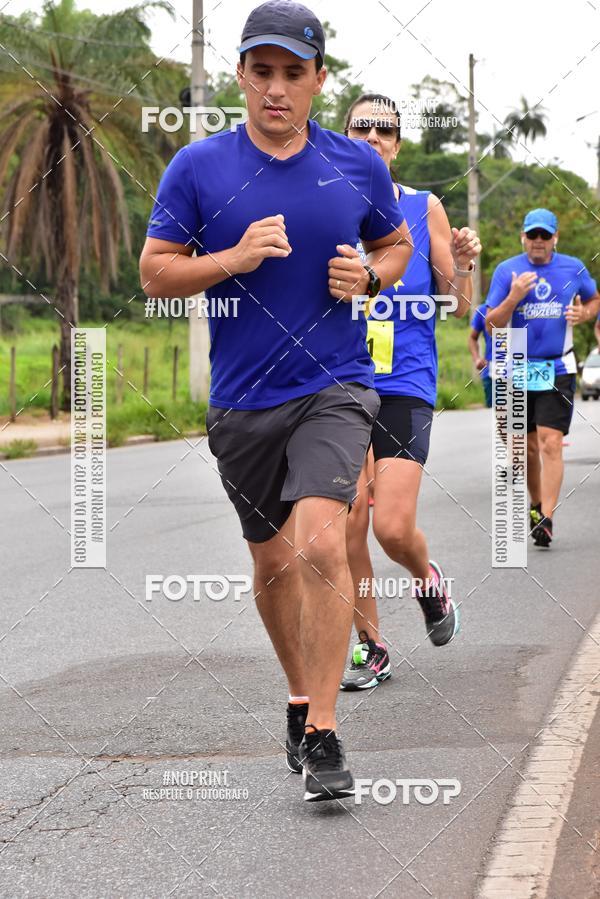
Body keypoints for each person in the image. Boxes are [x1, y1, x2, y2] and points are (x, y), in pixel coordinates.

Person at [140, 1, 412, 801]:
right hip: (242, 402)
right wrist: (232, 255)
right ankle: (300, 695)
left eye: (294, 73)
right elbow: (156, 272)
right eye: (262, 72)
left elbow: (392, 244)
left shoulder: (358, 165)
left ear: (319, 82)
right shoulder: (197, 168)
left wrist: (371, 275)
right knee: (270, 562)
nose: (277, 89)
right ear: (241, 77)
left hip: (335, 384)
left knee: (323, 544)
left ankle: (325, 731)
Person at [339, 94, 481, 691]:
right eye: (361, 127)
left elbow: (458, 301)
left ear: (398, 144)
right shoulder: (323, 206)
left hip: (405, 380)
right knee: (345, 528)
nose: (374, 136)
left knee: (391, 528)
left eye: (386, 130)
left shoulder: (424, 209)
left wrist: (467, 264)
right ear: (344, 136)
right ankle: (371, 646)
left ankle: (428, 580)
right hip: (340, 380)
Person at [486, 208, 600, 547]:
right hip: (515, 366)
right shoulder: (507, 271)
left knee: (551, 441)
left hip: (558, 367)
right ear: (523, 237)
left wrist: (585, 312)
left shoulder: (573, 267)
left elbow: (594, 299)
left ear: (555, 238)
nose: (538, 242)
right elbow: (492, 324)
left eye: (545, 236)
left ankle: (546, 518)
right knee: (526, 448)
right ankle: (536, 505)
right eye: (532, 235)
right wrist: (514, 296)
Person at [468, 303, 493, 408]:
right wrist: (477, 359)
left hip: (521, 371)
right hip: (492, 373)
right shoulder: (483, 310)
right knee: (500, 420)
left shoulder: (522, 305)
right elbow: (472, 338)